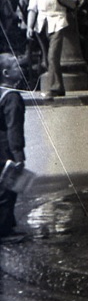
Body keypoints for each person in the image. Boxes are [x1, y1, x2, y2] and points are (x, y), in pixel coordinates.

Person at [25, 0, 77, 98]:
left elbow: (72, 3)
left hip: (57, 22)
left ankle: (53, 88)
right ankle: (59, 87)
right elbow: (32, 9)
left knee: (53, 56)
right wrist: (30, 27)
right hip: (41, 25)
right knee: (46, 59)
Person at [0, 84, 26, 238]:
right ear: (6, 73)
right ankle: (4, 230)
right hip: (5, 150)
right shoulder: (11, 97)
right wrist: (18, 155)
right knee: (7, 190)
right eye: (16, 66)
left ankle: (9, 223)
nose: (21, 68)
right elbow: (14, 128)